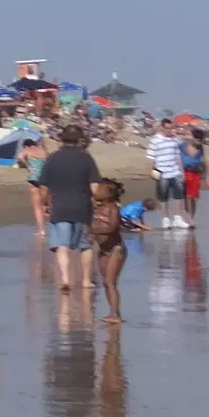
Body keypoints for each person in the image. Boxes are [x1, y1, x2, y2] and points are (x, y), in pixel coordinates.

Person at [40, 124, 102, 294]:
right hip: (82, 206)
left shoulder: (53, 158)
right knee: (85, 246)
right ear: (80, 139)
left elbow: (44, 187)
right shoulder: (86, 158)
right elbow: (95, 187)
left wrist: (44, 202)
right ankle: (86, 280)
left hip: (59, 206)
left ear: (61, 138)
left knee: (62, 245)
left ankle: (65, 279)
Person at [91, 177, 128, 326]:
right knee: (106, 283)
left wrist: (94, 230)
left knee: (110, 282)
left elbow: (113, 228)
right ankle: (112, 312)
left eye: (100, 189)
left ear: (109, 194)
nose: (96, 191)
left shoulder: (113, 208)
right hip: (103, 249)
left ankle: (115, 314)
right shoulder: (97, 208)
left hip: (115, 249)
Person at [146, 121, 189, 229]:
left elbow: (178, 156)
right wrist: (154, 173)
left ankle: (177, 218)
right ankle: (165, 219)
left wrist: (182, 171)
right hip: (162, 172)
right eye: (167, 128)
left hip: (175, 171)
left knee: (179, 195)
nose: (170, 130)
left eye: (171, 128)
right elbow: (151, 158)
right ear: (162, 128)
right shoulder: (154, 140)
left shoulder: (174, 139)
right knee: (162, 196)